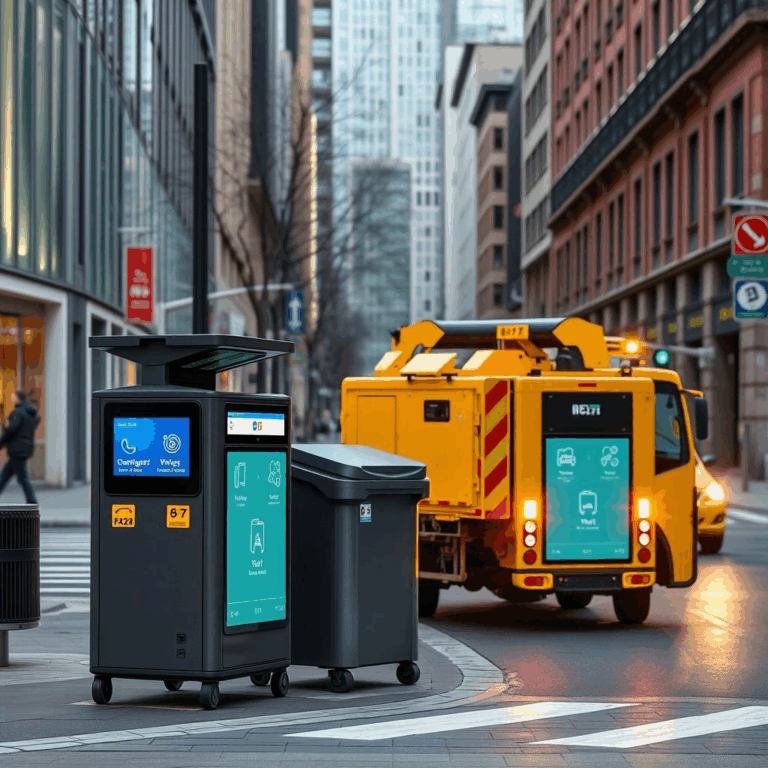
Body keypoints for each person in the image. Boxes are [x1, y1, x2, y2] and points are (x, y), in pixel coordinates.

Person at [0, 389, 41, 504]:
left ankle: (32, 501)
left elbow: (11, 431)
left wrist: (3, 436)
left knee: (22, 478)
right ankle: (31, 500)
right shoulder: (30, 413)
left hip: (17, 449)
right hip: (24, 448)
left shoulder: (18, 413)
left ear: (18, 398)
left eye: (14, 396)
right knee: (5, 475)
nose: (12, 398)